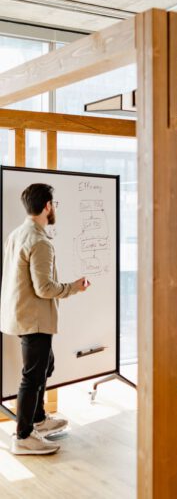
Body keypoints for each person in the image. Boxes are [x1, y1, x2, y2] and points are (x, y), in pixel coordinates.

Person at [0, 184, 90, 455]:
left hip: (21, 313)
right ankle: (24, 435)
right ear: (47, 206)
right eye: (55, 204)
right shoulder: (39, 241)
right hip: (34, 317)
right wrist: (75, 287)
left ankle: (39, 419)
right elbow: (44, 289)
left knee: (45, 366)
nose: (55, 209)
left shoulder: (18, 233)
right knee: (33, 376)